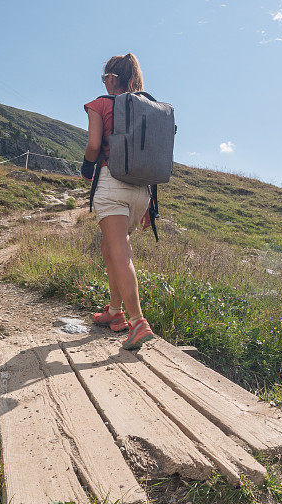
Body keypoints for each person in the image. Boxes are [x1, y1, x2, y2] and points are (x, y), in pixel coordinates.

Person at [81, 53, 156, 349]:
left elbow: (94, 145)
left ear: (112, 78)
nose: (103, 83)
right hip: (141, 190)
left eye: (104, 78)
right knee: (110, 247)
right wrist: (150, 204)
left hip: (113, 183)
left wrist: (87, 169)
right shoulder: (147, 108)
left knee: (121, 252)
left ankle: (138, 322)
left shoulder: (99, 104)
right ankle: (115, 312)